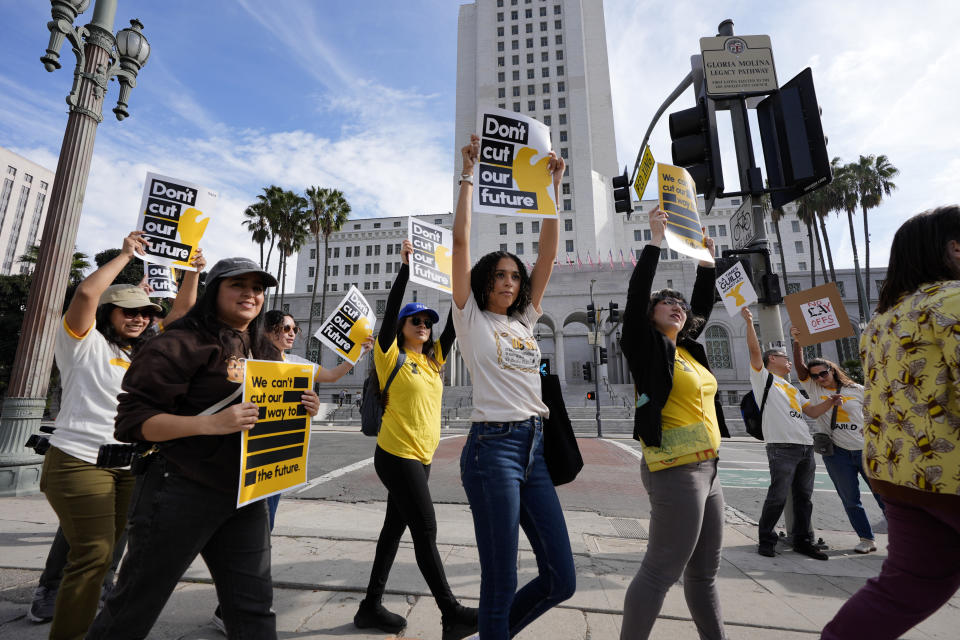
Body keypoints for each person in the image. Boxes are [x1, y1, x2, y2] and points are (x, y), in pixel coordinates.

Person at [86, 257, 320, 640]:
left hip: (245, 497)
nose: (250, 294)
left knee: (254, 610)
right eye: (237, 285)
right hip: (178, 490)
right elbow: (132, 422)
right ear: (214, 292)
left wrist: (300, 408)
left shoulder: (266, 349)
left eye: (258, 288)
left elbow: (266, 414)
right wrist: (208, 424)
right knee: (134, 607)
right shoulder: (179, 342)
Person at [37, 232, 202, 639]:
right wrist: (126, 255)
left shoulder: (144, 354)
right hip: (79, 460)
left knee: (111, 557)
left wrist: (193, 274)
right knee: (92, 556)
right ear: (109, 312)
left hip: (130, 467)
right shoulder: (83, 343)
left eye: (146, 313)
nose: (139, 318)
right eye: (128, 311)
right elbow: (84, 296)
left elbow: (180, 315)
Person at [451, 134, 575, 638]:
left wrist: (553, 190)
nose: (510, 282)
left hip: (535, 449)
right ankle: (493, 629)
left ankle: (489, 632)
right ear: (484, 282)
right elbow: (459, 244)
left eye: (515, 277)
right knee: (500, 581)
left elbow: (547, 255)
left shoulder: (525, 321)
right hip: (492, 451)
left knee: (560, 579)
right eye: (500, 276)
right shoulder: (470, 318)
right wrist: (467, 175)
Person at [822, 206, 960, 640]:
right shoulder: (952, 300)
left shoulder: (881, 322)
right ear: (955, 249)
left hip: (901, 478)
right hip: (951, 475)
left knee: (904, 589)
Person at [354, 239, 476, 639]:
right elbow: (390, 313)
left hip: (422, 458)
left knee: (394, 531)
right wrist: (406, 268)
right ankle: (451, 612)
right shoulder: (390, 354)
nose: (423, 326)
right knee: (426, 530)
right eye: (416, 321)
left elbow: (457, 320)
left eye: (427, 322)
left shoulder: (433, 359)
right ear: (403, 328)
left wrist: (466, 274)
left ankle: (370, 607)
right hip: (395, 455)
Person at [618, 207, 727, 640]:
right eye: (667, 303)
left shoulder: (687, 350)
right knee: (661, 570)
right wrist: (655, 240)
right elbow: (635, 294)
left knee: (704, 574)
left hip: (710, 471)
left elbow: (701, 304)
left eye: (679, 304)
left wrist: (706, 263)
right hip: (675, 470)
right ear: (650, 314)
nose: (677, 307)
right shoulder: (644, 347)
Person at [741, 307, 828, 561]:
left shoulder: (790, 387)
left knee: (804, 498)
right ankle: (766, 540)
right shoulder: (763, 379)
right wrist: (749, 322)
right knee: (777, 496)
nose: (788, 361)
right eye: (783, 357)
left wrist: (831, 402)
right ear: (772, 360)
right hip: (781, 447)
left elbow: (811, 411)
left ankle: (802, 540)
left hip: (804, 447)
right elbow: (755, 351)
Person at [790, 326, 885, 554]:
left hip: (864, 450)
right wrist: (797, 342)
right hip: (837, 453)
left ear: (832, 370)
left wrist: (871, 429)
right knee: (850, 499)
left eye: (824, 373)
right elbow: (800, 368)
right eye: (815, 376)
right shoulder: (813, 388)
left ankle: (904, 539)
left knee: (884, 497)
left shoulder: (857, 389)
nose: (820, 378)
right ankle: (866, 539)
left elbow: (877, 413)